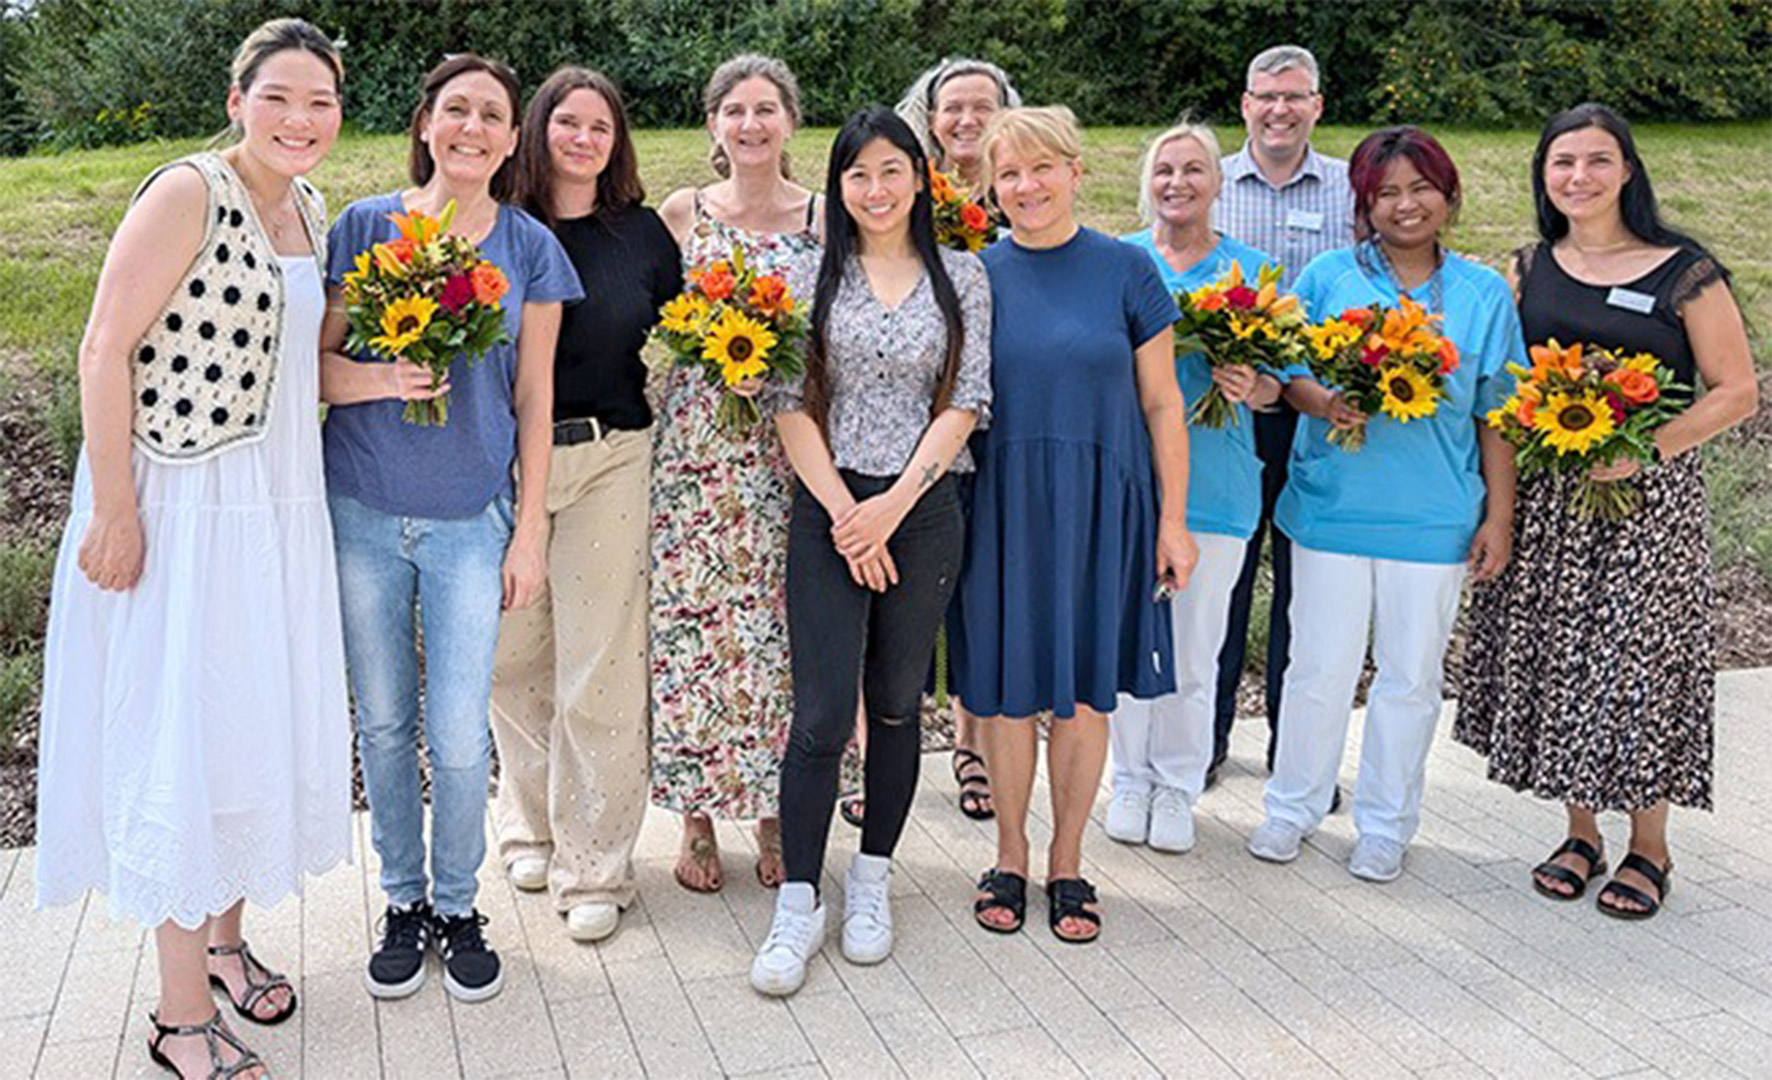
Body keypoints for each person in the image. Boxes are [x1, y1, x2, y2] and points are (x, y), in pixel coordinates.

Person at [35, 20, 346, 1078]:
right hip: (185, 504)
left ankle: (220, 946)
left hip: (277, 504)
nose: (301, 119)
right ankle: (176, 1017)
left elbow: (298, 370)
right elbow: (102, 345)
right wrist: (116, 511)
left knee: (246, 723)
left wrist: (398, 378)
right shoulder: (187, 191)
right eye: (281, 98)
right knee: (187, 733)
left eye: (321, 101)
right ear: (237, 98)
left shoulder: (308, 208)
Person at [321, 54, 582, 1002]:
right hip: (361, 510)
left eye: (492, 116)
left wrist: (530, 534)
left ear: (513, 140)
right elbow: (313, 372)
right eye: (456, 110)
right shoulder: (362, 228)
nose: (473, 128)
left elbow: (534, 394)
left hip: (473, 522)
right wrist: (390, 377)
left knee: (461, 732)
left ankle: (458, 902)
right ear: (427, 123)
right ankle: (401, 901)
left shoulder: (529, 247)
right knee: (385, 724)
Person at [1455, 104, 1757, 919]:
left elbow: (1737, 390)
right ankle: (1580, 832)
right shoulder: (1525, 270)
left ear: (1627, 170)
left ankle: (1649, 846)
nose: (1579, 178)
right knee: (1561, 659)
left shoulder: (1683, 271)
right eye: (1562, 163)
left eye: (1596, 161)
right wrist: (1503, 515)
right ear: (1543, 176)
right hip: (1552, 505)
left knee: (1636, 667)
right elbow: (1502, 396)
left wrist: (1648, 447)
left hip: (1646, 511)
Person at [749, 108, 993, 995]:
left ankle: (874, 877)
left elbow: (965, 399)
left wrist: (889, 508)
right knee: (819, 716)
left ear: (920, 179)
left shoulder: (961, 276)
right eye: (859, 175)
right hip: (828, 505)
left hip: (922, 506)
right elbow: (788, 402)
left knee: (894, 703)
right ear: (838, 187)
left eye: (893, 172)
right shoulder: (806, 272)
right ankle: (801, 899)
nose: (877, 190)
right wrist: (847, 513)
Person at [1245, 126, 1521, 884]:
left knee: (1409, 677)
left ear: (1448, 195)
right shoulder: (1332, 277)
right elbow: (1287, 373)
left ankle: (1386, 822)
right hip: (1332, 508)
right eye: (1386, 192)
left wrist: (1498, 517)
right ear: (1362, 204)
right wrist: (1325, 400)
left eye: (1420, 188)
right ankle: (1293, 805)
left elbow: (1497, 410)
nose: (1406, 205)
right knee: (1317, 667)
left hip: (1434, 517)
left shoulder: (1482, 293)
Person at [954, 107, 1197, 944]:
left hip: (1104, 505)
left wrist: (1173, 521)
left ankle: (1068, 861)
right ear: (991, 188)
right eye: (1009, 174)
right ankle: (1010, 855)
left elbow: (1164, 404)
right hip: (1003, 506)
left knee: (1087, 696)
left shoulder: (1128, 270)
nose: (1026, 186)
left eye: (1040, 168)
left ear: (1073, 170)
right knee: (1011, 695)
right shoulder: (974, 276)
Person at [492, 68, 681, 944]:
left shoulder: (641, 235)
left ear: (617, 142)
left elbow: (678, 343)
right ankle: (529, 826)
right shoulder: (494, 225)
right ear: (539, 129)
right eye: (566, 122)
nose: (582, 138)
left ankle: (597, 862)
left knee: (599, 664)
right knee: (515, 656)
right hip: (501, 465)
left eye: (599, 127)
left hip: (610, 455)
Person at [652, 54, 822, 894]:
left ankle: (771, 809)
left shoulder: (823, 218)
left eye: (766, 109)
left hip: (788, 448)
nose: (751, 124)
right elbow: (654, 315)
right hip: (696, 450)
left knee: (778, 629)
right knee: (696, 628)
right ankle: (694, 815)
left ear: (790, 120)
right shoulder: (684, 212)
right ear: (712, 125)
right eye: (735, 111)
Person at [1107, 121, 1282, 854]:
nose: (1177, 182)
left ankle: (1178, 783)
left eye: (1193, 170)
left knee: (1196, 643)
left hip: (1215, 483)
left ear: (1218, 184)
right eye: (1164, 170)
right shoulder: (1117, 263)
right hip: (1124, 482)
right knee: (1121, 640)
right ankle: (1129, 777)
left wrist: (1255, 386)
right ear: (1147, 182)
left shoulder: (1252, 273)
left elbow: (1284, 383)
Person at [1211, 44, 1355, 787]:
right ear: (1245, 104)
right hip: (1227, 413)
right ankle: (1202, 743)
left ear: (1317, 105)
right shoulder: (1211, 184)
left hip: (1322, 416)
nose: (1279, 109)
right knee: (1222, 580)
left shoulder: (1347, 190)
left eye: (1294, 96)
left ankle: (1295, 760)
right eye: (1266, 96)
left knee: (1307, 593)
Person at [894, 56, 1022, 824]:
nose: (967, 120)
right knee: (897, 593)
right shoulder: (904, 198)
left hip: (995, 423)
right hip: (903, 424)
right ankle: (883, 747)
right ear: (930, 117)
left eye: (984, 106)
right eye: (953, 108)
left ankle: (972, 746)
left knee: (977, 590)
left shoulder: (1019, 197)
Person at [896, 56, 1022, 191]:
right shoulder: (910, 193)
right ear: (932, 121)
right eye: (953, 108)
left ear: (1005, 117)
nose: (967, 121)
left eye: (982, 108)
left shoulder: (1025, 190)